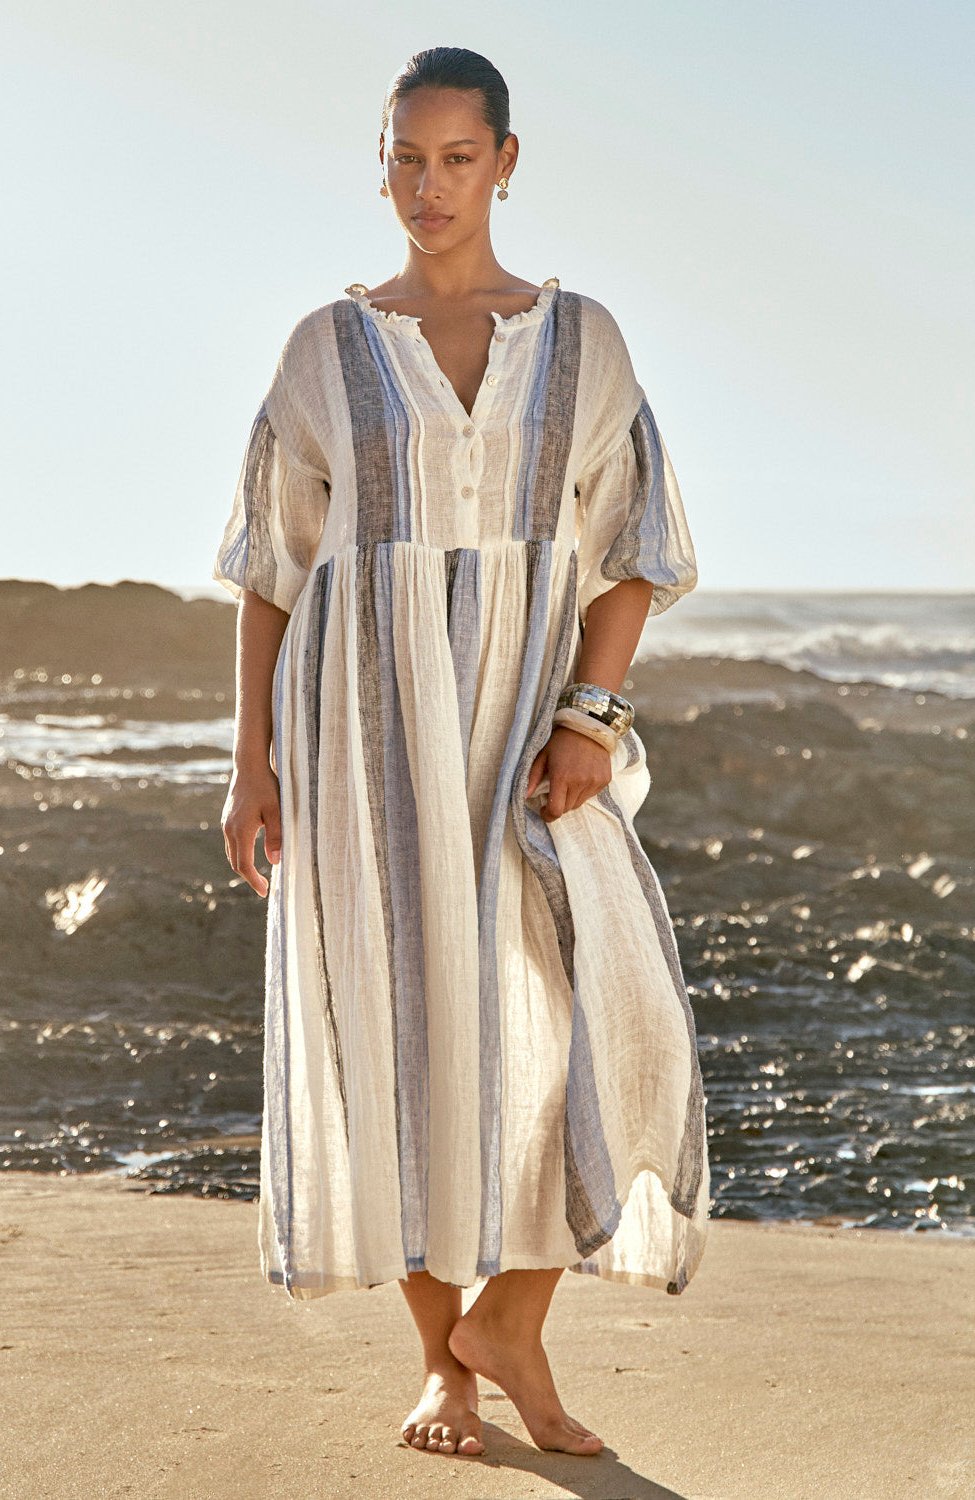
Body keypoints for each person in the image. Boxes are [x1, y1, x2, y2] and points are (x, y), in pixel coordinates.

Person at [213, 45, 710, 1462]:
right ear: (379, 165)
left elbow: (636, 552)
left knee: (594, 1012)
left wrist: (590, 719)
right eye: (404, 159)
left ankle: (515, 1319)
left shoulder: (581, 340)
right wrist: (249, 762)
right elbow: (269, 568)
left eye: (455, 158)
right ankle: (449, 1364)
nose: (427, 188)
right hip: (357, 731)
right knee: (406, 1018)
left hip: (527, 731)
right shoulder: (326, 346)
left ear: (504, 161)